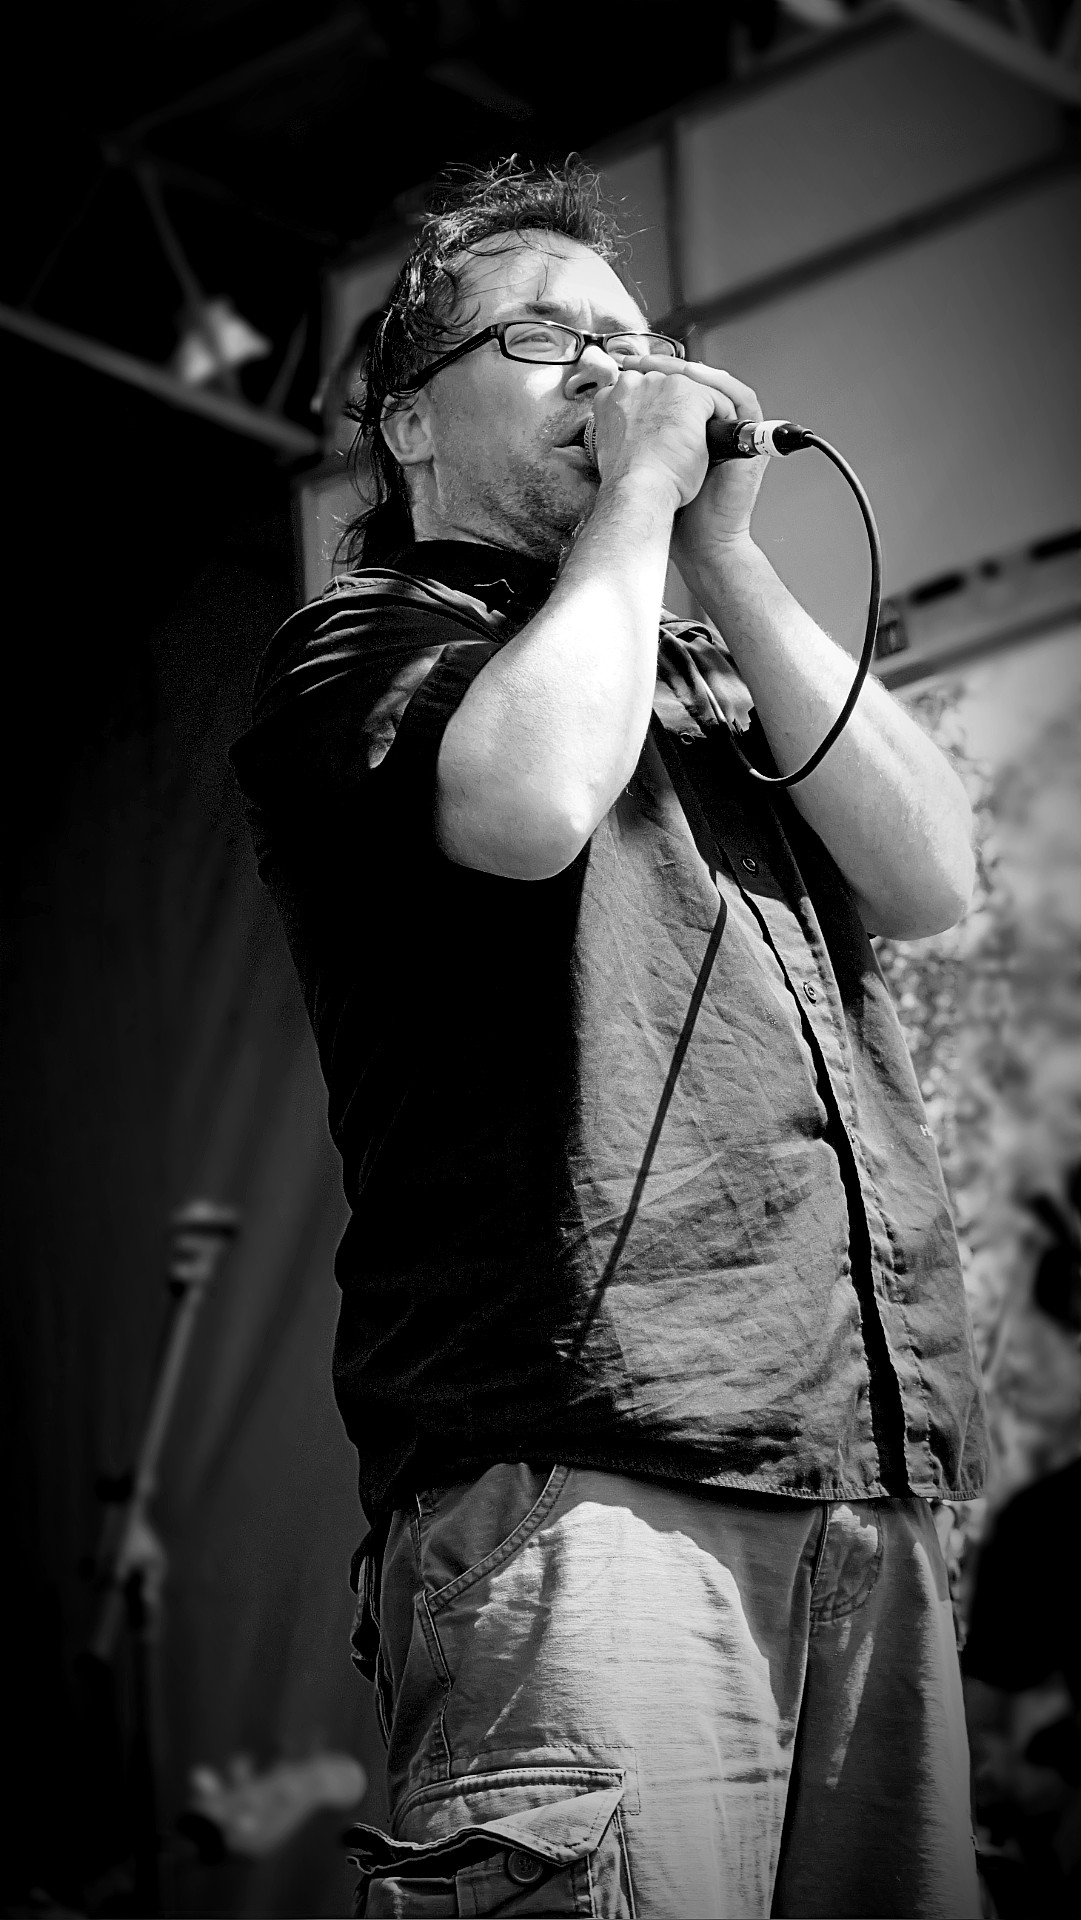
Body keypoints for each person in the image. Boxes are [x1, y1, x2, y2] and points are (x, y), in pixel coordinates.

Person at [230, 159, 987, 1918]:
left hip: (854, 1472)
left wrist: (719, 545)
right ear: (408, 422)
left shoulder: (710, 670)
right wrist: (641, 494)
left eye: (632, 342)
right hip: (583, 1469)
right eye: (546, 337)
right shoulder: (361, 642)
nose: (610, 371)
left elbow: (931, 874)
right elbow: (525, 807)